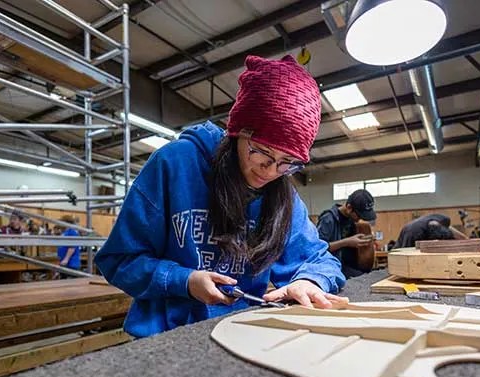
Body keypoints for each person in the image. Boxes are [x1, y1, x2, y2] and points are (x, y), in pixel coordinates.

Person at [96, 55, 347, 337]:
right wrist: (184, 280)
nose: (271, 171)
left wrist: (309, 281)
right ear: (238, 132)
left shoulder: (282, 193)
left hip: (240, 334)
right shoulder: (174, 164)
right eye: (261, 151)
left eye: (287, 162)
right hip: (164, 337)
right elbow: (119, 260)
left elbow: (320, 260)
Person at [316, 189, 376, 278]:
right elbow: (318, 249)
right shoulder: (328, 219)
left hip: (352, 267)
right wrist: (347, 242)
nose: (360, 219)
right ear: (349, 207)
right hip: (333, 268)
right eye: (359, 215)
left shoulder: (352, 220)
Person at [392, 213, 469, 249]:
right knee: (406, 252)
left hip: (409, 227)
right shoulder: (418, 232)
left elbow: (450, 230)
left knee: (398, 249)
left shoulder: (444, 219)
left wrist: (466, 239)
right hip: (414, 232)